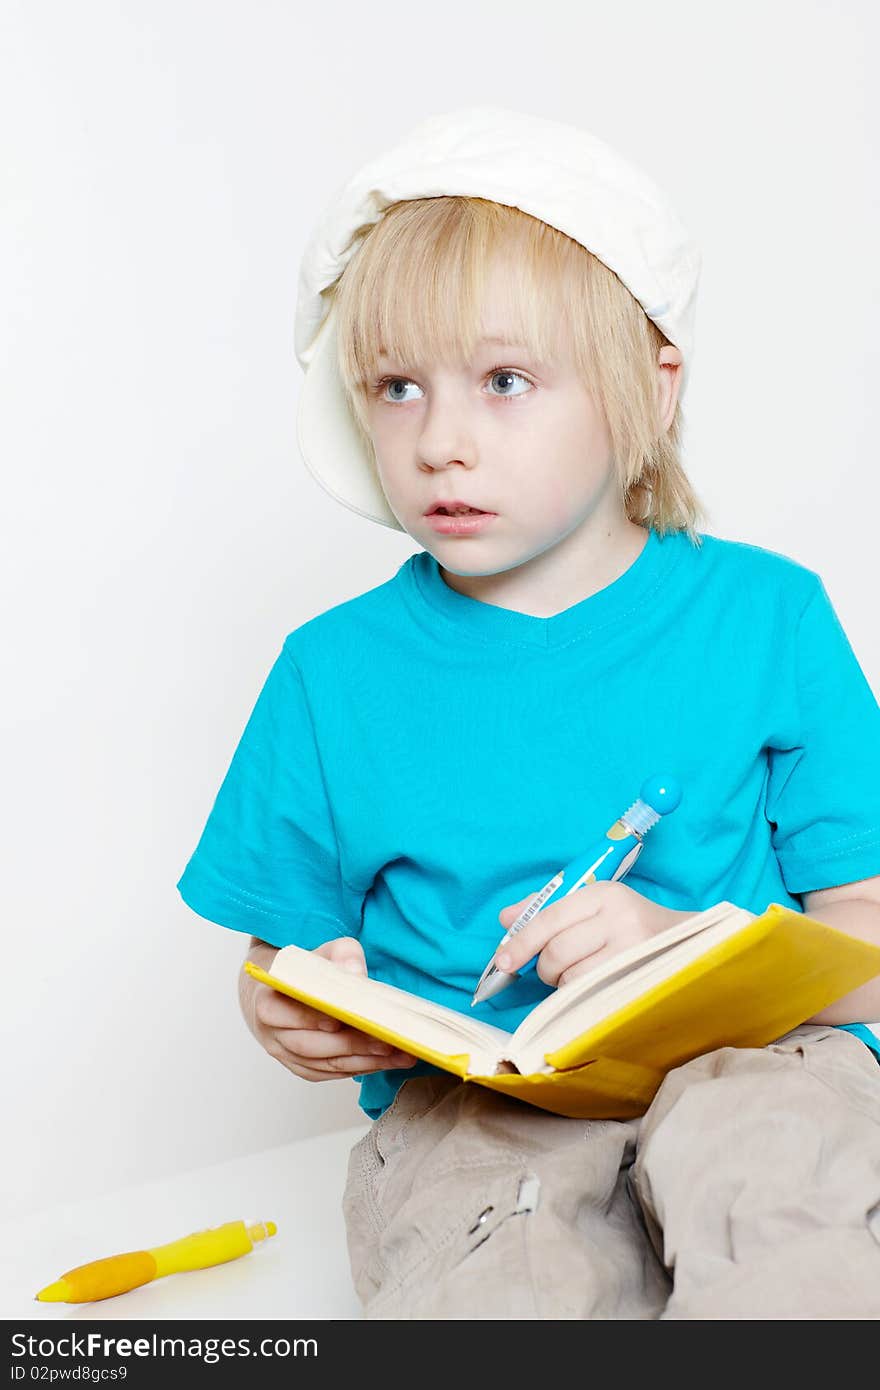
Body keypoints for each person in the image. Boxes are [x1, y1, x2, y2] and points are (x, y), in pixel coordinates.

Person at [176, 107, 880, 1319]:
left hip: (759, 1067)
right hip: (480, 1113)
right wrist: (283, 1009)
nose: (441, 441)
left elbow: (865, 951)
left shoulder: (767, 617)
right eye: (396, 387)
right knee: (492, 1283)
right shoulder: (328, 675)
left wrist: (685, 949)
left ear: (650, 387)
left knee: (793, 1231)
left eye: (505, 381)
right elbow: (276, 955)